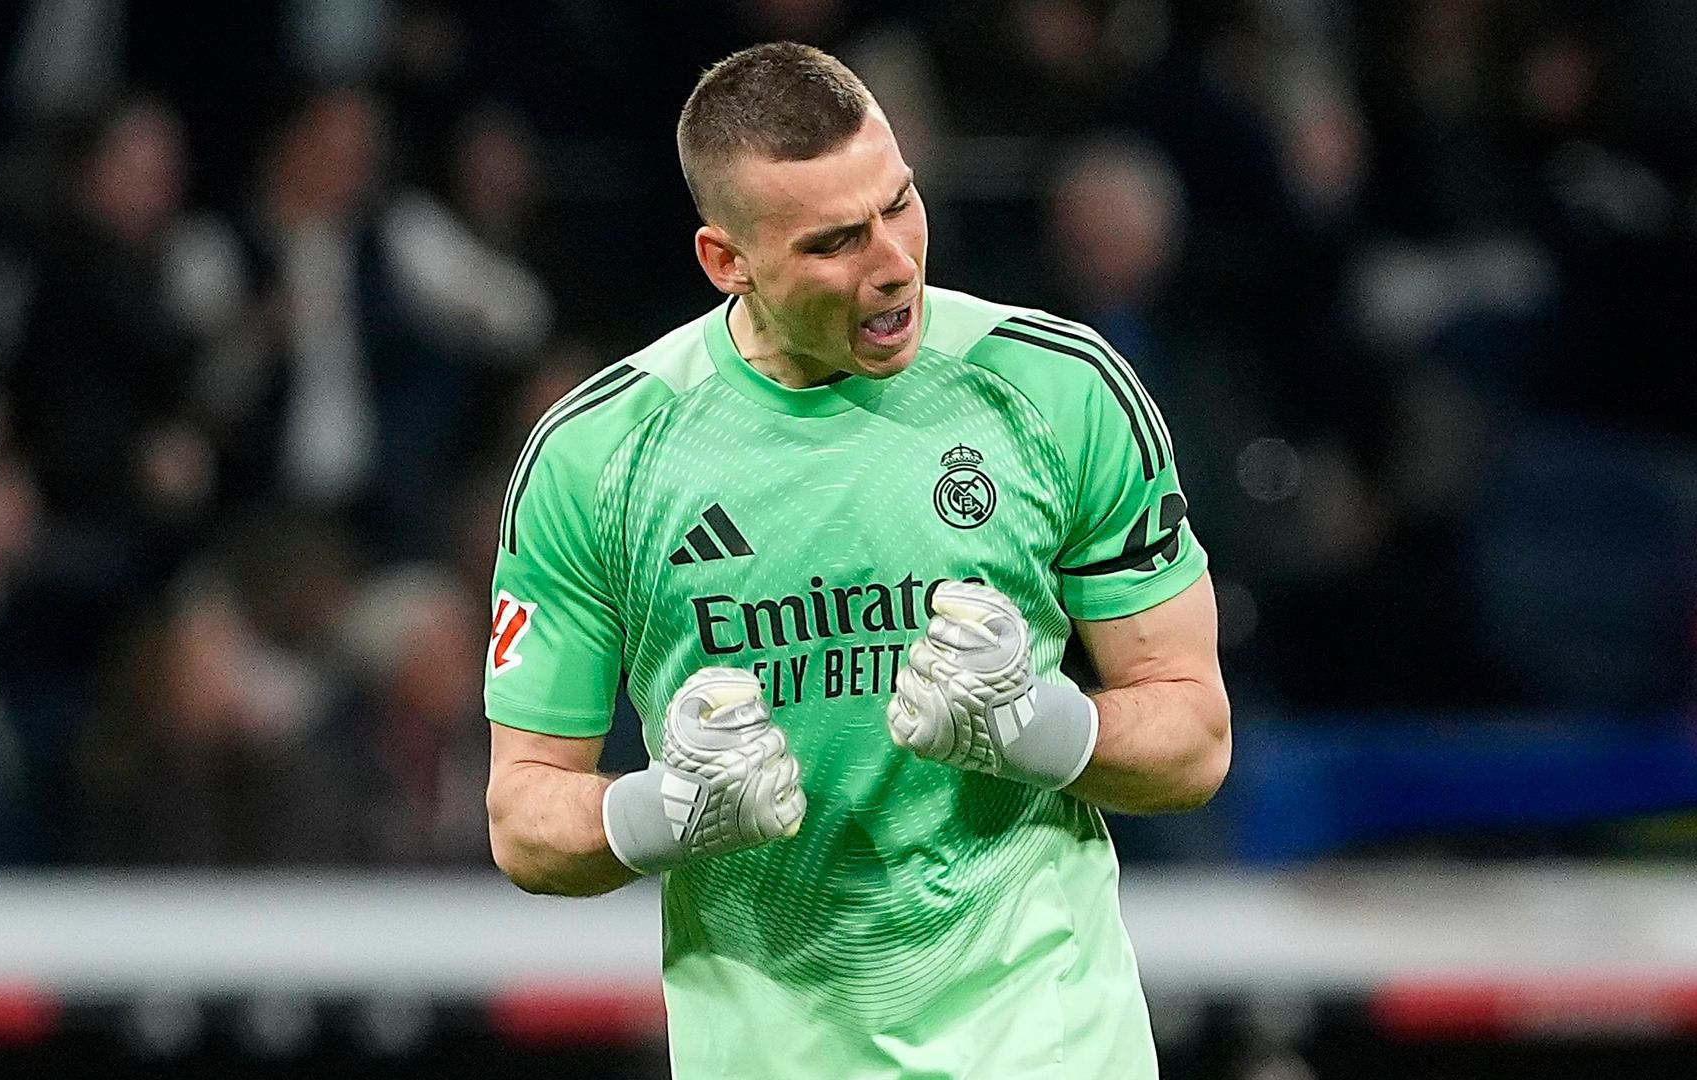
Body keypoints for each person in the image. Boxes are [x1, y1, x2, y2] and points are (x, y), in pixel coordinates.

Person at [483, 42, 1230, 1079]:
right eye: (834, 241)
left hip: (1046, 1042)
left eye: (900, 203)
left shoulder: (1060, 391)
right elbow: (523, 819)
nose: (893, 263)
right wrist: (661, 811)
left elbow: (1195, 739)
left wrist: (1047, 725)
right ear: (725, 260)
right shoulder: (596, 457)